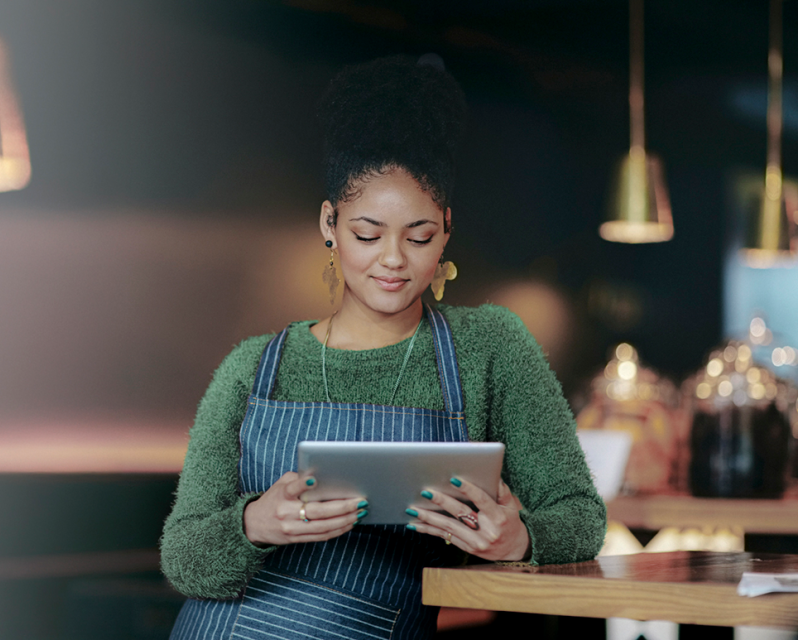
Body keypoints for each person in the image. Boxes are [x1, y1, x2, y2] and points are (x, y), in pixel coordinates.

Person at [160, 55, 606, 639]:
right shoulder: (252, 368)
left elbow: (580, 516)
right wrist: (252, 523)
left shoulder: (490, 347)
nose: (392, 259)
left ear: (446, 228)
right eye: (367, 234)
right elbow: (182, 556)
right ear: (330, 223)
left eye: (418, 236)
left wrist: (519, 538)